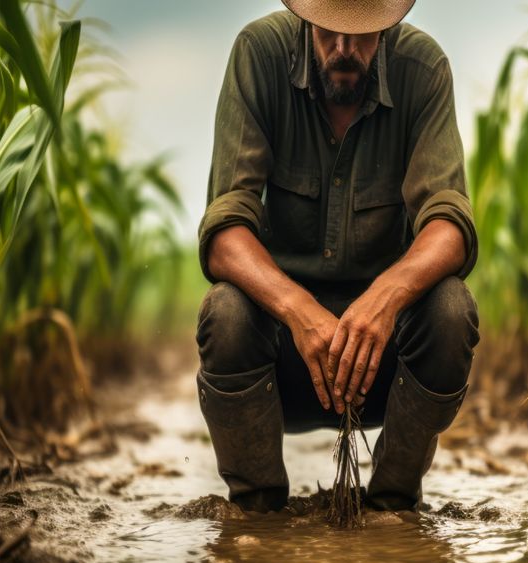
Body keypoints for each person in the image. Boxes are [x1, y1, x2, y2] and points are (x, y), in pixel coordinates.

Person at [196, 0, 480, 513]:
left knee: (452, 309)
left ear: (387, 23)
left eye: (364, 33)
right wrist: (297, 310)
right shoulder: (259, 56)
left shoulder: (425, 69)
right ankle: (258, 509)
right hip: (284, 361)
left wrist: (383, 300)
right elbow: (224, 232)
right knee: (226, 312)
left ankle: (393, 503)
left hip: (381, 362)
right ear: (306, 15)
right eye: (331, 31)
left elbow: (450, 225)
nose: (345, 49)